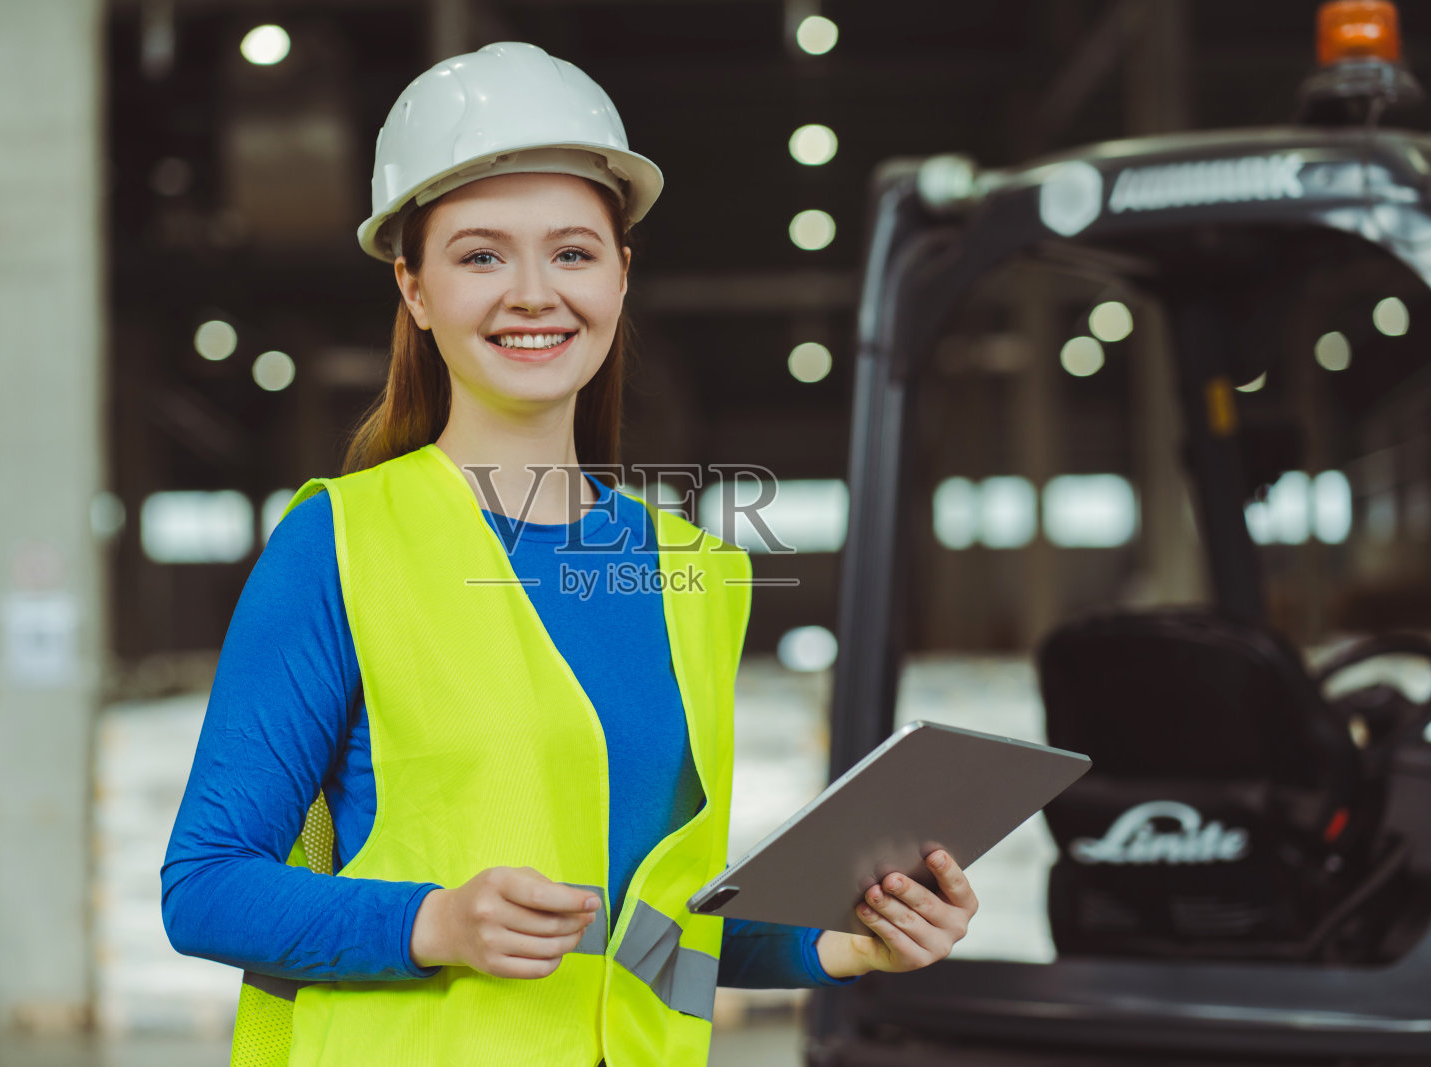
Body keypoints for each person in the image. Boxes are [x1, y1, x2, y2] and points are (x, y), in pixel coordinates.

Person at [160, 41, 978, 1067]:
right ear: (413, 287)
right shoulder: (340, 544)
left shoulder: (689, 570)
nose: (534, 293)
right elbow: (203, 884)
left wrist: (835, 944)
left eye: (574, 252)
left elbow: (636, 944)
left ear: (621, 275)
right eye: (480, 254)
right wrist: (432, 924)